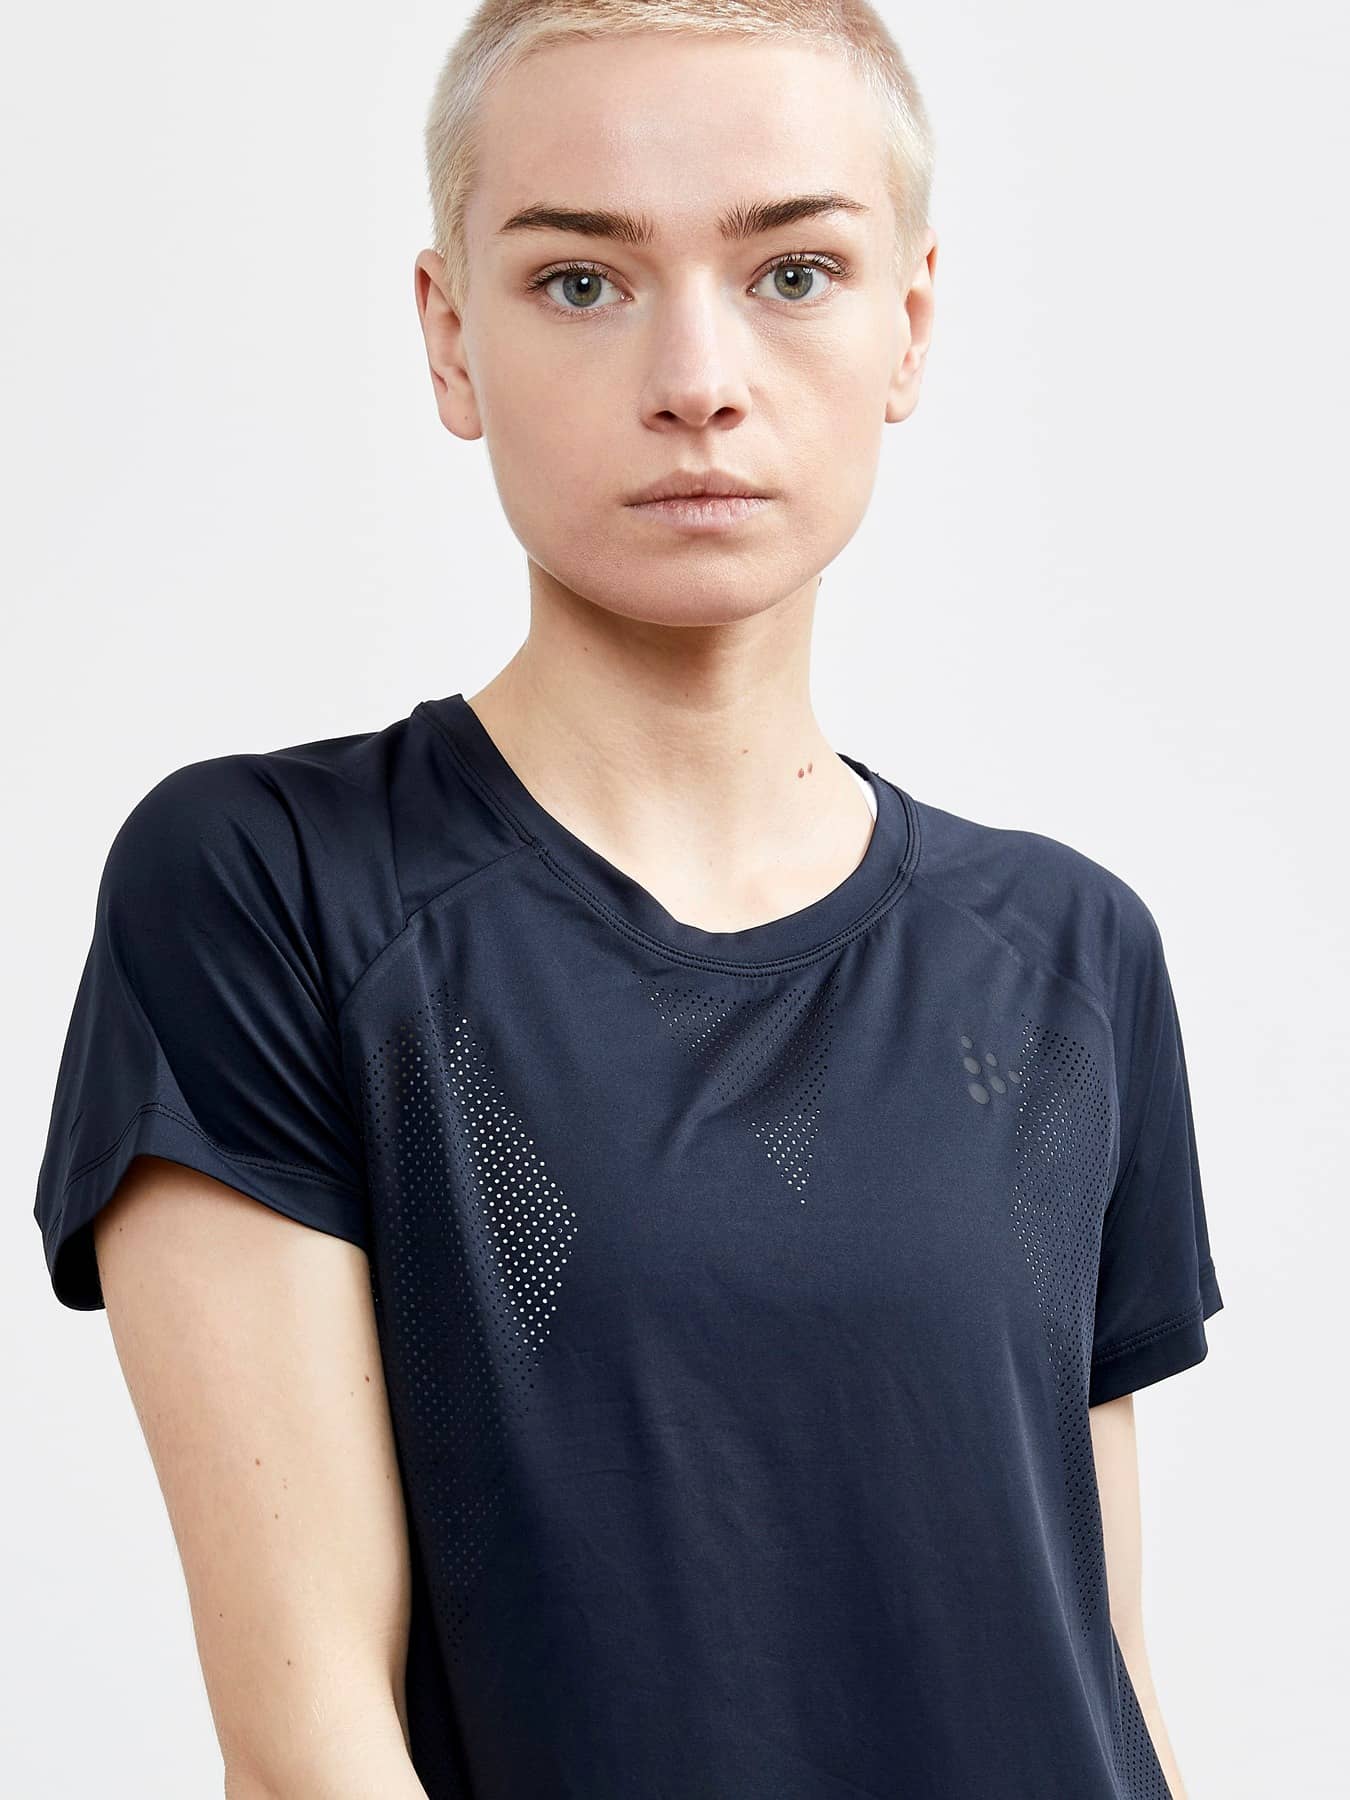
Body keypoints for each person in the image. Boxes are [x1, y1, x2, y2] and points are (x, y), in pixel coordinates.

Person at [32, 3, 1225, 1796]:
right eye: (580, 282)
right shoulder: (273, 889)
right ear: (452, 338)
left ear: (908, 324)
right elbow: (306, 1750)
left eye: (793, 272)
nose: (697, 377)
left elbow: (1097, 1659)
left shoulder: (1065, 952)